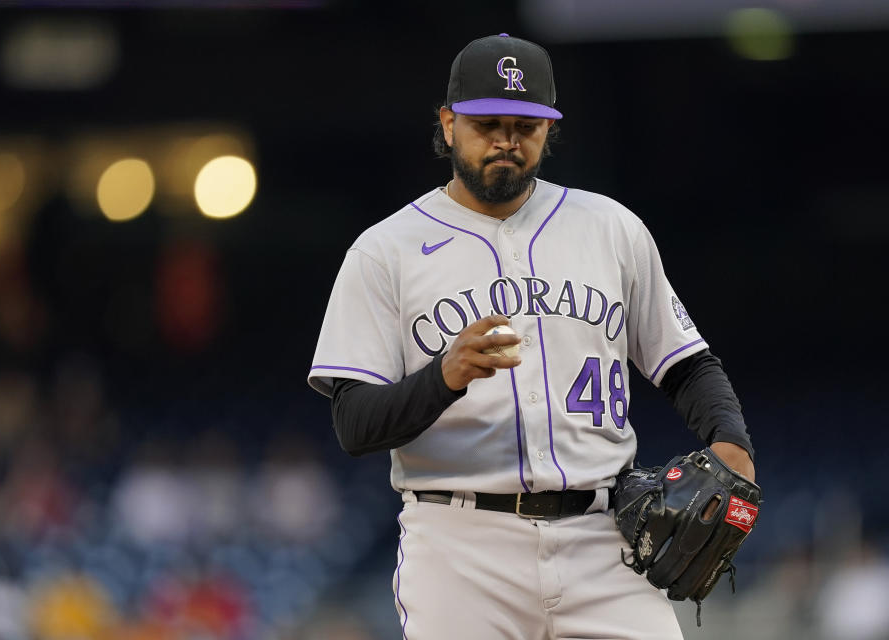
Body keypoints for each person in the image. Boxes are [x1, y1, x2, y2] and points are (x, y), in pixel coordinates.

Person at [308, 33, 755, 639]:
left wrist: (732, 442)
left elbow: (687, 364)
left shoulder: (610, 228)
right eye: (486, 122)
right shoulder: (386, 250)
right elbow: (354, 424)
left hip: (603, 537)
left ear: (550, 129)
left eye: (525, 125)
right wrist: (444, 377)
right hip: (461, 546)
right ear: (448, 122)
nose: (505, 141)